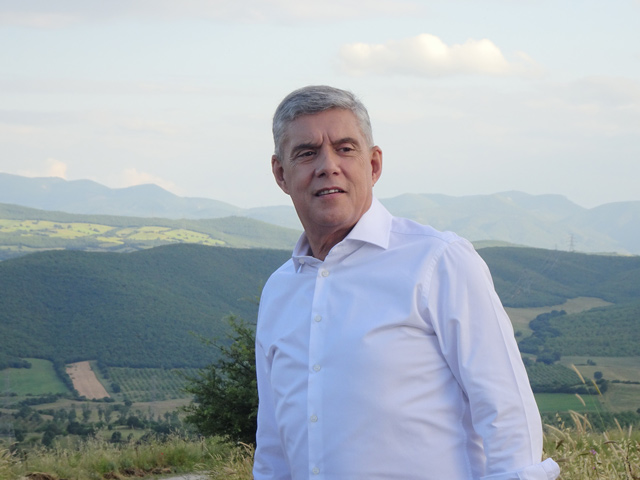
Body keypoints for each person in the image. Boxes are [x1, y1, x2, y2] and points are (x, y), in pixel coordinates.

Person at [253, 85, 560, 480]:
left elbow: (506, 409)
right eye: (307, 152)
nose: (328, 165)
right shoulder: (279, 291)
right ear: (281, 173)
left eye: (345, 148)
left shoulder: (439, 261)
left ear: (374, 164)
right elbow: (274, 442)